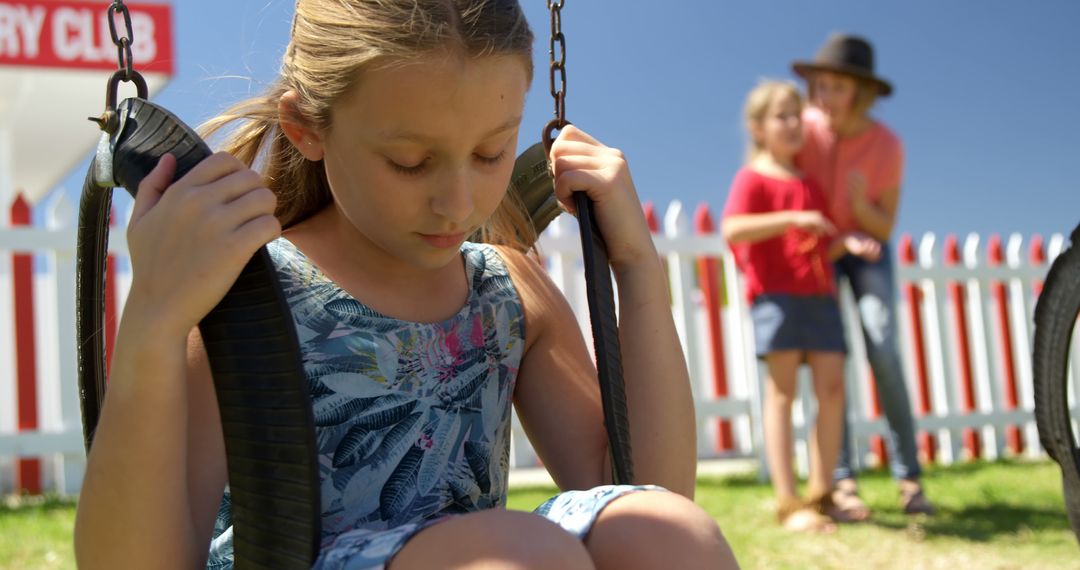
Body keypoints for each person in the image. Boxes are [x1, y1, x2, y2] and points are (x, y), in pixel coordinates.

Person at [72, 1, 739, 568]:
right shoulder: (246, 298)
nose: (457, 202)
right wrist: (155, 321)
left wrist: (637, 269)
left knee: (666, 534)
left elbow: (643, 488)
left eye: (490, 153)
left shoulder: (505, 294)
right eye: (410, 162)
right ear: (306, 128)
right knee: (521, 552)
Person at [721, 80, 881, 533]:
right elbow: (733, 228)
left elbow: (816, 245)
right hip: (776, 297)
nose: (793, 124)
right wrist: (792, 218)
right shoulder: (752, 178)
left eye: (797, 114)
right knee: (783, 394)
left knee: (833, 391)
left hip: (820, 297)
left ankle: (822, 492)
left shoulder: (810, 183)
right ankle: (789, 503)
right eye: (781, 116)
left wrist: (845, 240)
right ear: (757, 128)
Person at [793, 33, 936, 520]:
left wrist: (858, 209)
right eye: (820, 86)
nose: (823, 97)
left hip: (868, 252)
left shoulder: (886, 145)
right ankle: (842, 480)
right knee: (831, 362)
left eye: (835, 87)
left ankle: (909, 478)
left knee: (883, 346)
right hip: (821, 252)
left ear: (860, 92)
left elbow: (884, 225)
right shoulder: (805, 129)